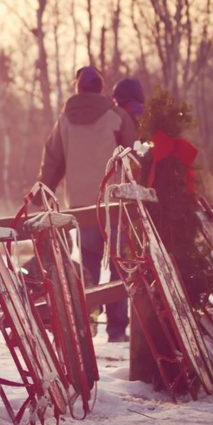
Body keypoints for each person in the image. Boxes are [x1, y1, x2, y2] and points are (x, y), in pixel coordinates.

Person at [37, 65, 136, 342]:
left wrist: (43, 190)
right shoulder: (116, 117)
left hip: (81, 207)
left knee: (89, 266)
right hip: (114, 204)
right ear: (101, 88)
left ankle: (88, 323)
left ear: (77, 88)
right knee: (118, 263)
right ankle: (117, 329)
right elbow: (134, 153)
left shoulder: (64, 121)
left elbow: (53, 160)